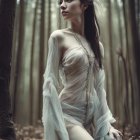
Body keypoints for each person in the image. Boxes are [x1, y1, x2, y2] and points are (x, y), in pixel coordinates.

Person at [42, 0, 123, 139]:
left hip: (92, 118)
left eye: (67, 0)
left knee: (114, 138)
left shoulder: (97, 45)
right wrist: (53, 123)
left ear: (84, 5)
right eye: (60, 1)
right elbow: (50, 84)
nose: (62, 5)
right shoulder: (58, 37)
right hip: (67, 117)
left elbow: (98, 88)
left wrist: (107, 124)